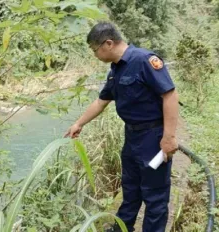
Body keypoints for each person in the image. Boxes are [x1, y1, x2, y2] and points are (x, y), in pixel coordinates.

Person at [64, 22, 179, 232]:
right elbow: (101, 101)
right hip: (132, 137)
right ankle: (122, 228)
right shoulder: (115, 70)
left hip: (153, 138)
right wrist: (78, 123)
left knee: (155, 195)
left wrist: (169, 137)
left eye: (95, 49)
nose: (94, 55)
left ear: (108, 43)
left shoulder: (145, 60)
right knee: (131, 189)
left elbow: (169, 95)